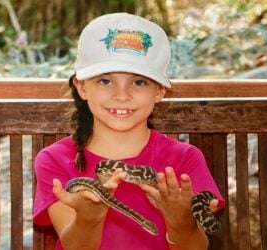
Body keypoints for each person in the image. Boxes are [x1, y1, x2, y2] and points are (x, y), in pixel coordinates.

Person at [33, 12, 225, 250]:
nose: (122, 95)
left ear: (159, 91)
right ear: (82, 86)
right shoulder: (55, 160)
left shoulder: (184, 160)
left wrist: (181, 221)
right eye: (105, 80)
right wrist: (88, 218)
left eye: (139, 82)